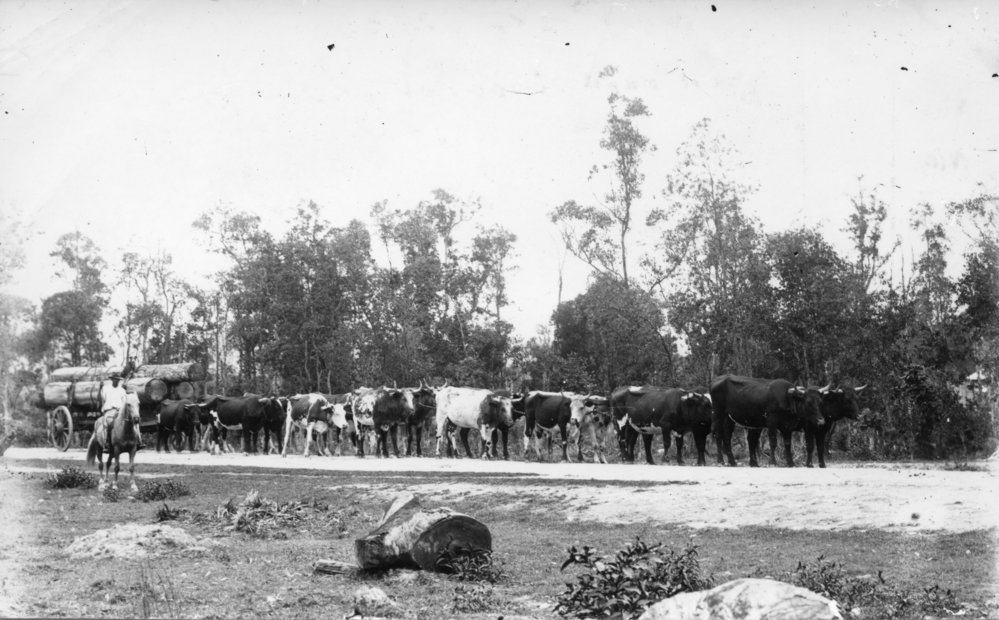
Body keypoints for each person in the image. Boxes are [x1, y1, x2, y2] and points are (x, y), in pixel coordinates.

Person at [102, 372, 144, 451]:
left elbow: (124, 402)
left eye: (118, 380)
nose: (116, 381)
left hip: (120, 410)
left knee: (134, 422)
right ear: (112, 380)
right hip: (109, 410)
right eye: (115, 380)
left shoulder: (122, 391)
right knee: (107, 424)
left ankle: (138, 441)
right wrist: (103, 409)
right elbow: (103, 400)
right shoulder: (106, 388)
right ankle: (106, 443)